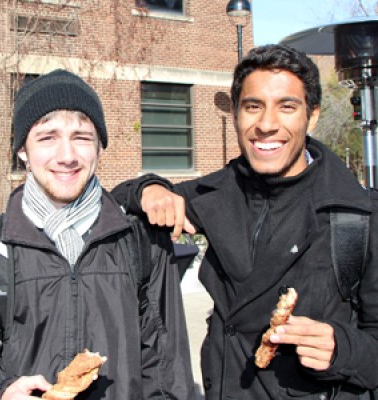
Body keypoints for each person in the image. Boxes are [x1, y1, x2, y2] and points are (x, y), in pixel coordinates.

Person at [111, 44, 378, 399]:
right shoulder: (215, 194)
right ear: (236, 114)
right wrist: (150, 187)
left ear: (312, 117)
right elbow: (119, 199)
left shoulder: (357, 215)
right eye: (253, 107)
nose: (267, 125)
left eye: (287, 107)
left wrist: (342, 349)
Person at [0, 69, 195, 399]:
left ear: (99, 147)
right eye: (47, 137)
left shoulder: (141, 241)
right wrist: (1, 392)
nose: (66, 156)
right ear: (23, 150)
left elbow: (167, 369)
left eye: (81, 137)